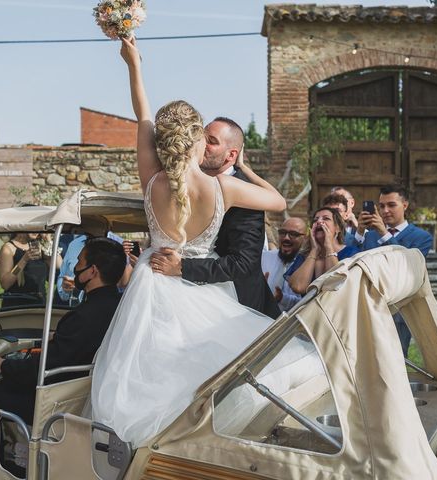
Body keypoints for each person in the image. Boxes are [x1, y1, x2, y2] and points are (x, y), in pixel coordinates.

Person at [91, 37, 286, 448]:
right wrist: (243, 164)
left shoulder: (151, 179)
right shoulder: (223, 189)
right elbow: (279, 201)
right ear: (198, 140)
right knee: (205, 376)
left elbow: (142, 112)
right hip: (202, 290)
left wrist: (134, 64)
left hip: (151, 284)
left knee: (148, 378)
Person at [0, 237, 125, 423]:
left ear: (92, 271)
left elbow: (43, 369)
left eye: (79, 262)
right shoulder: (119, 307)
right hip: (87, 396)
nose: (75, 267)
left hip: (57, 403)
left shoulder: (83, 316)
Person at [151, 117, 281, 318]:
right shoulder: (183, 182)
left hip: (237, 309)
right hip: (182, 298)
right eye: (202, 138)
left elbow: (242, 263)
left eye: (212, 141)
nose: (203, 144)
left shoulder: (245, 195)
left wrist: (183, 266)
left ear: (231, 155)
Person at [354, 183, 432, 355]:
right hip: (368, 305)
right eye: (381, 206)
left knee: (396, 359)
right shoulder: (370, 235)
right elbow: (350, 260)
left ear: (405, 205)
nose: (385, 210)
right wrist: (359, 232)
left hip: (400, 309)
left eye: (391, 205)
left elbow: (405, 265)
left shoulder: (422, 237)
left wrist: (384, 234)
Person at [286, 208, 359, 295]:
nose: (319, 222)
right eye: (315, 220)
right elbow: (298, 287)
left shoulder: (351, 253)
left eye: (326, 218)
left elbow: (335, 285)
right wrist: (314, 250)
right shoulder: (304, 255)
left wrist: (328, 246)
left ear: (338, 228)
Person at [0, 233, 60, 308]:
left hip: (39, 305)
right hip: (16, 306)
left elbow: (58, 265)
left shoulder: (40, 245)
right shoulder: (9, 248)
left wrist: (48, 240)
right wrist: (24, 260)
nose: (36, 231)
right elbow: (5, 283)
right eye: (33, 226)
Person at [261, 217, 306, 311]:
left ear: (305, 238)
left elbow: (307, 304)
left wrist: (282, 298)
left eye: (293, 234)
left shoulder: (307, 265)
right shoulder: (264, 258)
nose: (286, 238)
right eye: (282, 233)